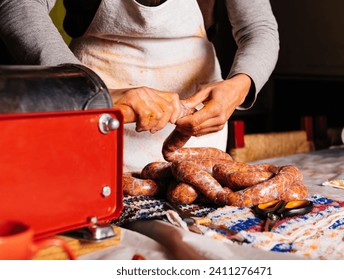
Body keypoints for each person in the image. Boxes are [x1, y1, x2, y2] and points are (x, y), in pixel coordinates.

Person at [0, 0, 279, 172]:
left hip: (198, 135)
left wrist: (240, 86)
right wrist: (85, 89)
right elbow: (19, 4)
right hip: (96, 113)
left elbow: (259, 28)